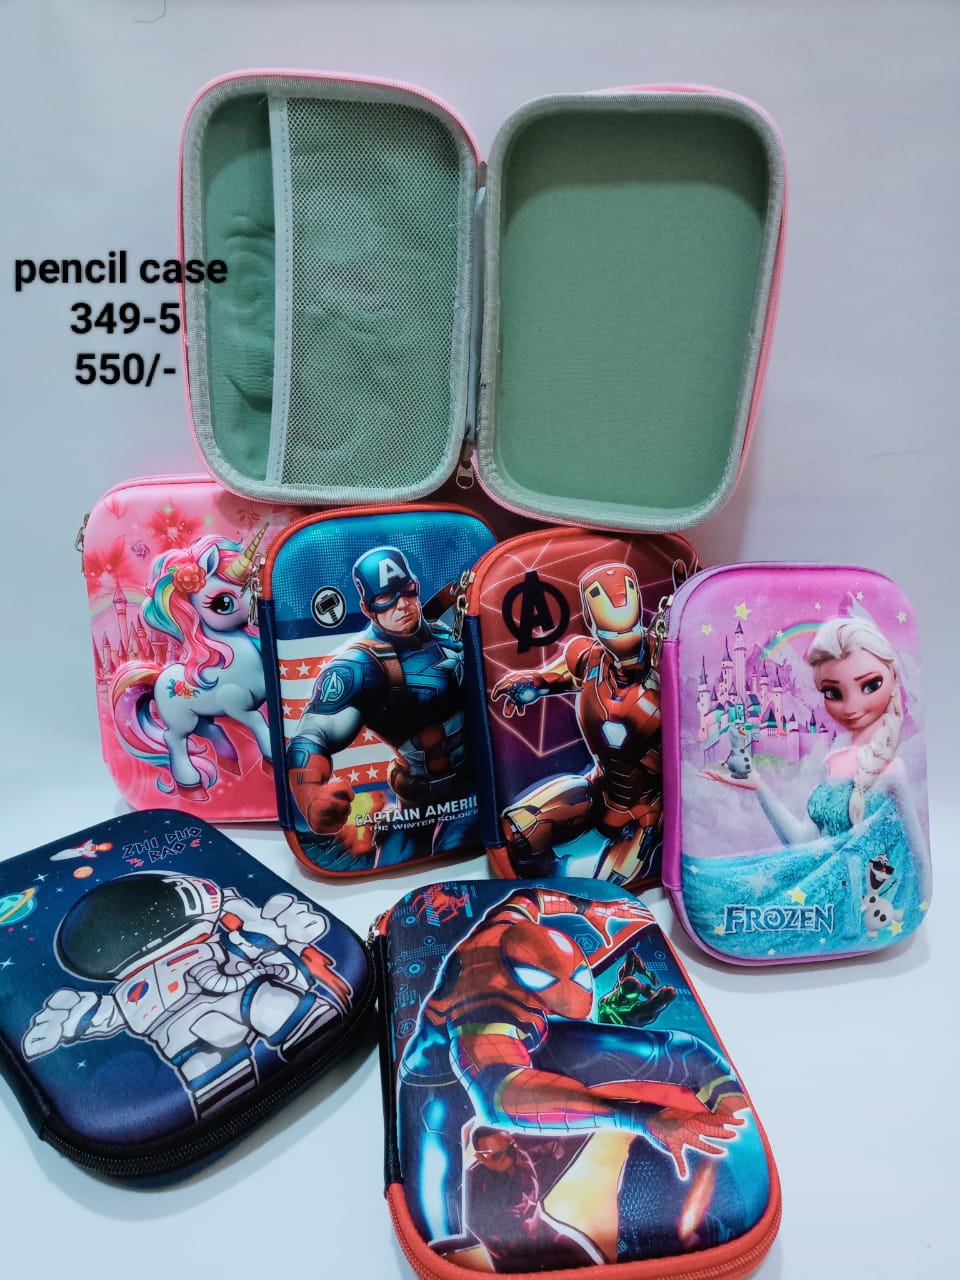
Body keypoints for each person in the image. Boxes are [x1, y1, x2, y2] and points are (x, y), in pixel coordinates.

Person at [699, 612, 929, 954]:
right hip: (818, 905)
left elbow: (918, 859)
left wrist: (911, 909)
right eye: (833, 692)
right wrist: (759, 786)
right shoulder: (831, 760)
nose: (852, 706)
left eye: (870, 685)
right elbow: (802, 842)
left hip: (860, 912)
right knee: (721, 888)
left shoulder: (892, 770)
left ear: (893, 679)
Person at [286, 546, 478, 868]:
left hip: (476, 790)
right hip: (416, 800)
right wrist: (311, 796)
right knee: (396, 856)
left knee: (458, 848)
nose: (402, 604)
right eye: (385, 598)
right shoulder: (359, 665)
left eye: (408, 590)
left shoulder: (447, 630)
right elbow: (312, 734)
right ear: (366, 607)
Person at [492, 563, 662, 887]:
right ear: (590, 620)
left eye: (629, 632)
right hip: (600, 789)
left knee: (605, 889)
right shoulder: (589, 658)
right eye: (615, 633)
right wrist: (532, 683)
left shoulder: (666, 659)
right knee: (520, 829)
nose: (625, 641)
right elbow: (553, 677)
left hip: (646, 811)